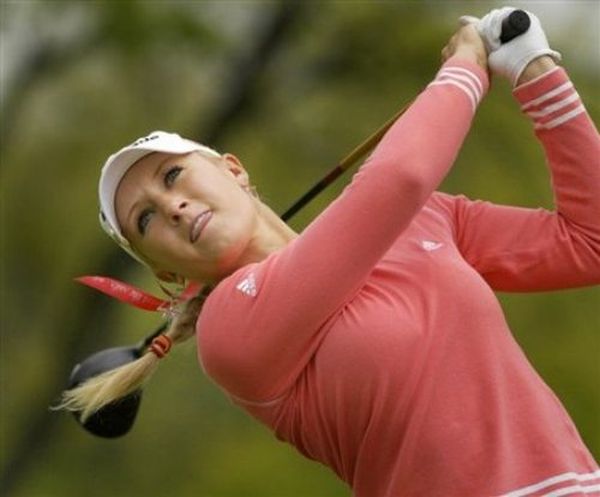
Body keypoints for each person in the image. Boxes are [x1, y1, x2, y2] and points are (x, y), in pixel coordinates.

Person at [58, 8, 600, 497]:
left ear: (233, 169)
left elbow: (588, 243)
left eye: (173, 175)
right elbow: (399, 177)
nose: (171, 206)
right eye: (146, 219)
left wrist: (535, 69)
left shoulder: (424, 220)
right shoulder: (230, 331)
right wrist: (464, 67)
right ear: (165, 270)